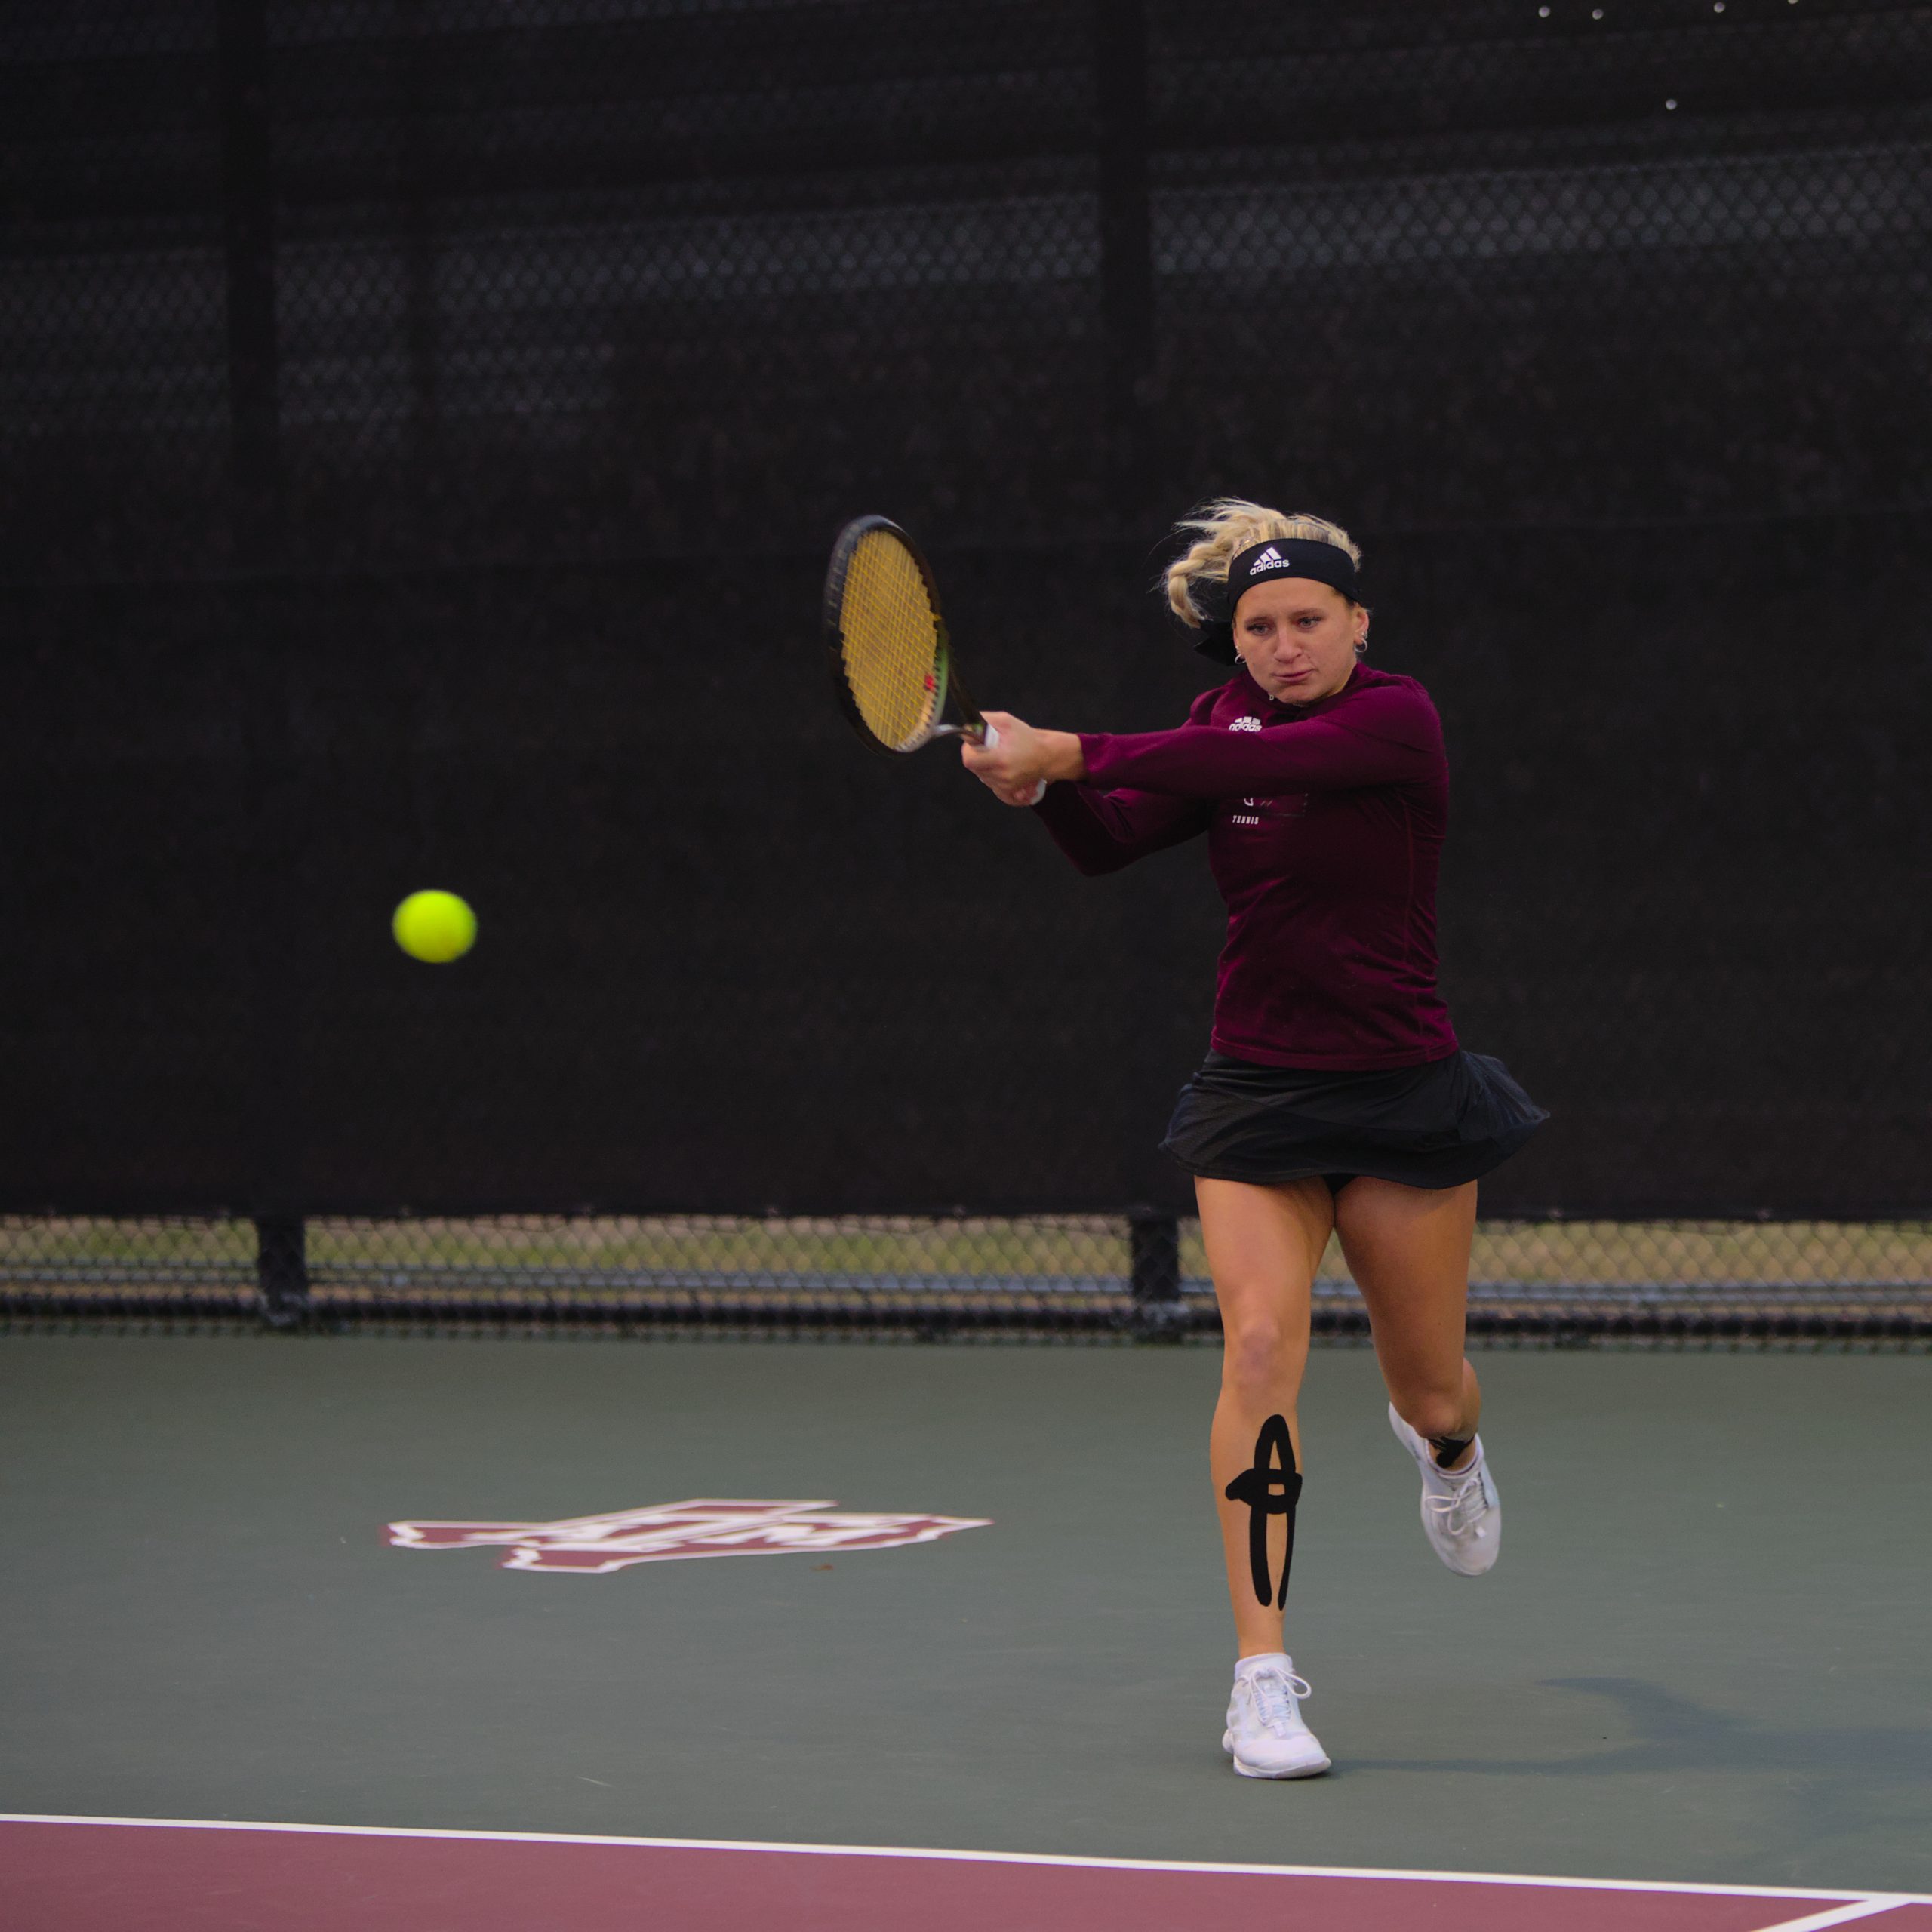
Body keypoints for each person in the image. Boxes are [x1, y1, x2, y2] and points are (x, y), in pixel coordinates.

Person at [961, 500, 1547, 1780]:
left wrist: (1069, 746)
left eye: (1306, 623)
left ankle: (1448, 1456)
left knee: (1430, 1386)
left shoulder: (1397, 720)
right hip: (1259, 1096)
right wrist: (1043, 793)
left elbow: (1240, 773)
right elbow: (1113, 840)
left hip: (1403, 1094)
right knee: (1262, 1345)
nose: (1283, 646)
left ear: (1357, 625)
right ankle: (1262, 1680)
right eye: (1259, 628)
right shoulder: (1214, 724)